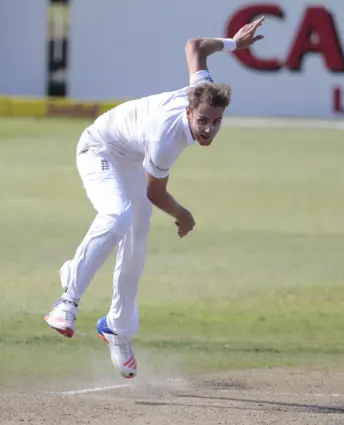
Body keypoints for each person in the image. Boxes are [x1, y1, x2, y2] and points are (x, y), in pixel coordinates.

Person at [44, 17, 266, 379]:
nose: (209, 129)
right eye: (204, 121)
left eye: (216, 122)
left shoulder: (202, 88)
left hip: (131, 157)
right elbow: (154, 191)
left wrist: (234, 45)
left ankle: (116, 327)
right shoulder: (168, 137)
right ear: (189, 112)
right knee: (117, 216)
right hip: (99, 148)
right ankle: (68, 300)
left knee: (136, 244)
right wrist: (183, 215)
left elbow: (195, 46)